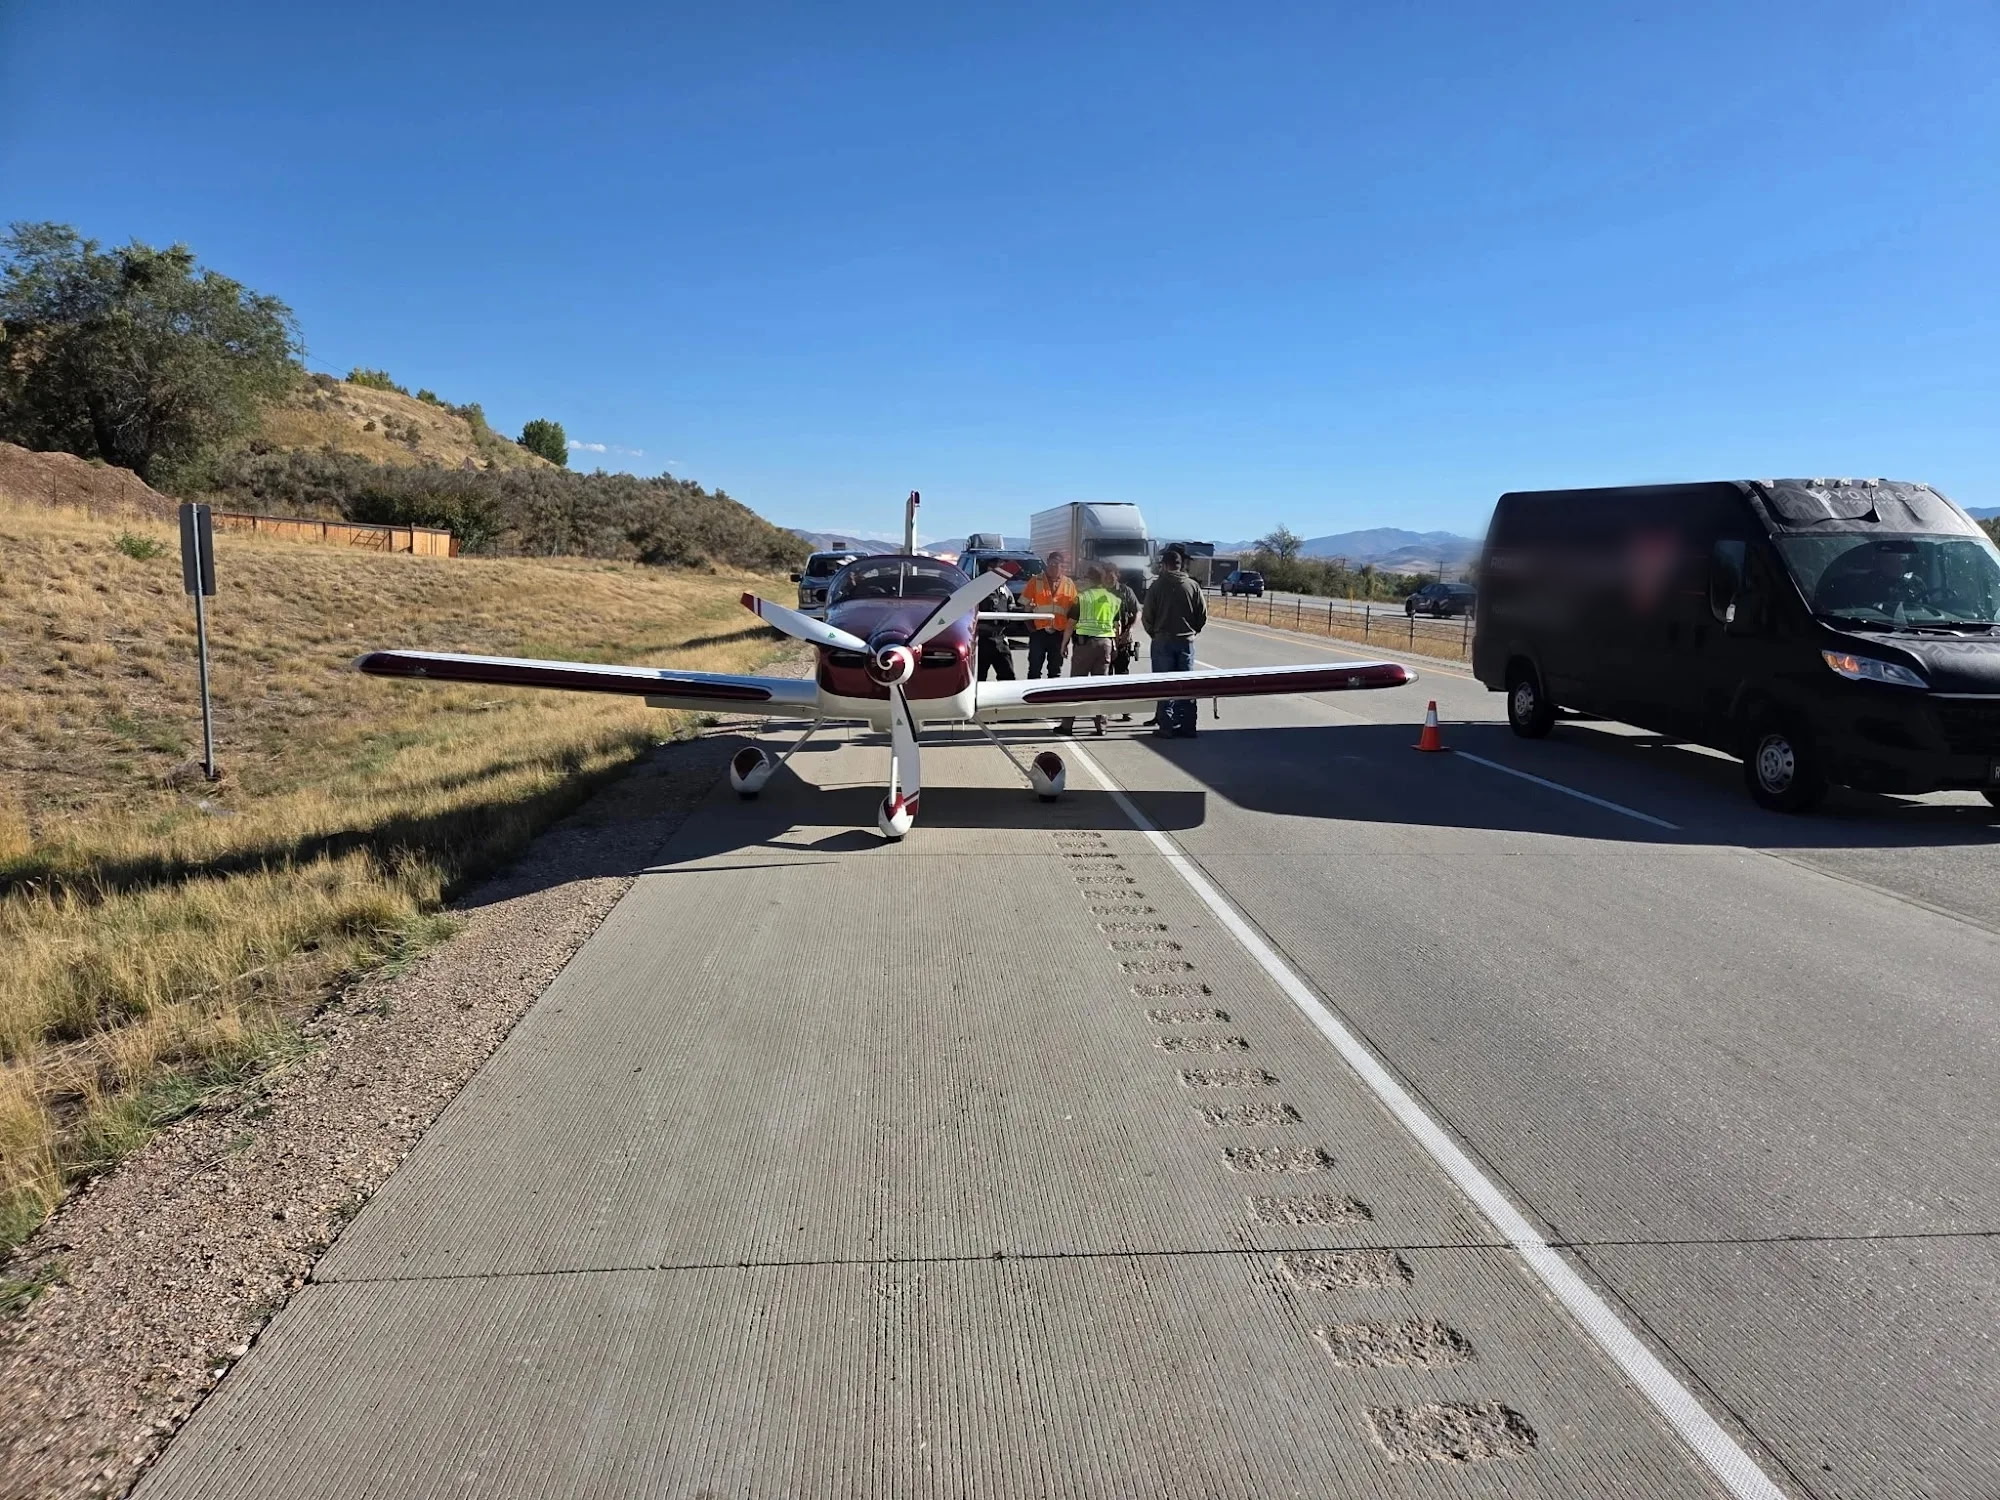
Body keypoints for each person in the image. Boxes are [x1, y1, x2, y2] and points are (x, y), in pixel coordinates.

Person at [1142, 544, 1207, 738]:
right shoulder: (1192, 586)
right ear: (1181, 565)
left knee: (1164, 684)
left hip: (1162, 641)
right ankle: (1188, 725)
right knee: (1186, 685)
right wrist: (1193, 631)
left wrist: (1154, 633)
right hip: (1185, 642)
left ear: (1164, 565)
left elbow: (1147, 616)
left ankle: (1166, 726)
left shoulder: (1157, 586)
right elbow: (1202, 614)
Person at [1058, 565, 1121, 736]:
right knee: (1100, 687)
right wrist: (1114, 645)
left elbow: (1071, 624)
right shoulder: (1113, 599)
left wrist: (1064, 644)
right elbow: (1117, 626)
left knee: (1076, 686)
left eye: (1084, 578)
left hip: (1085, 646)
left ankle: (1067, 726)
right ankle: (1101, 726)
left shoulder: (1082, 598)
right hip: (1106, 645)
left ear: (1090, 579)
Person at [1022, 550, 1077, 680]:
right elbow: (1025, 607)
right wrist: (1031, 628)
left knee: (1055, 671)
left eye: (1056, 564)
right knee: (1034, 670)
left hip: (1058, 633)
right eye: (1050, 563)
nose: (1053, 567)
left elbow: (1073, 612)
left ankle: (1052, 693)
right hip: (1039, 632)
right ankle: (1034, 692)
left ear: (1062, 566)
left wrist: (1067, 636)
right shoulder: (1035, 581)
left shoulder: (1069, 584)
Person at [1112, 571, 1142, 721]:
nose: (1108, 578)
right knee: (1103, 677)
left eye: (1111, 575)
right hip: (1105, 639)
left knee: (1122, 676)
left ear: (1117, 576)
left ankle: (1125, 709)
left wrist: (1130, 630)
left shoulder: (1126, 591)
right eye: (1106, 575)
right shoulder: (1100, 590)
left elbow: (1137, 612)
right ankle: (1104, 710)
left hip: (1123, 639)